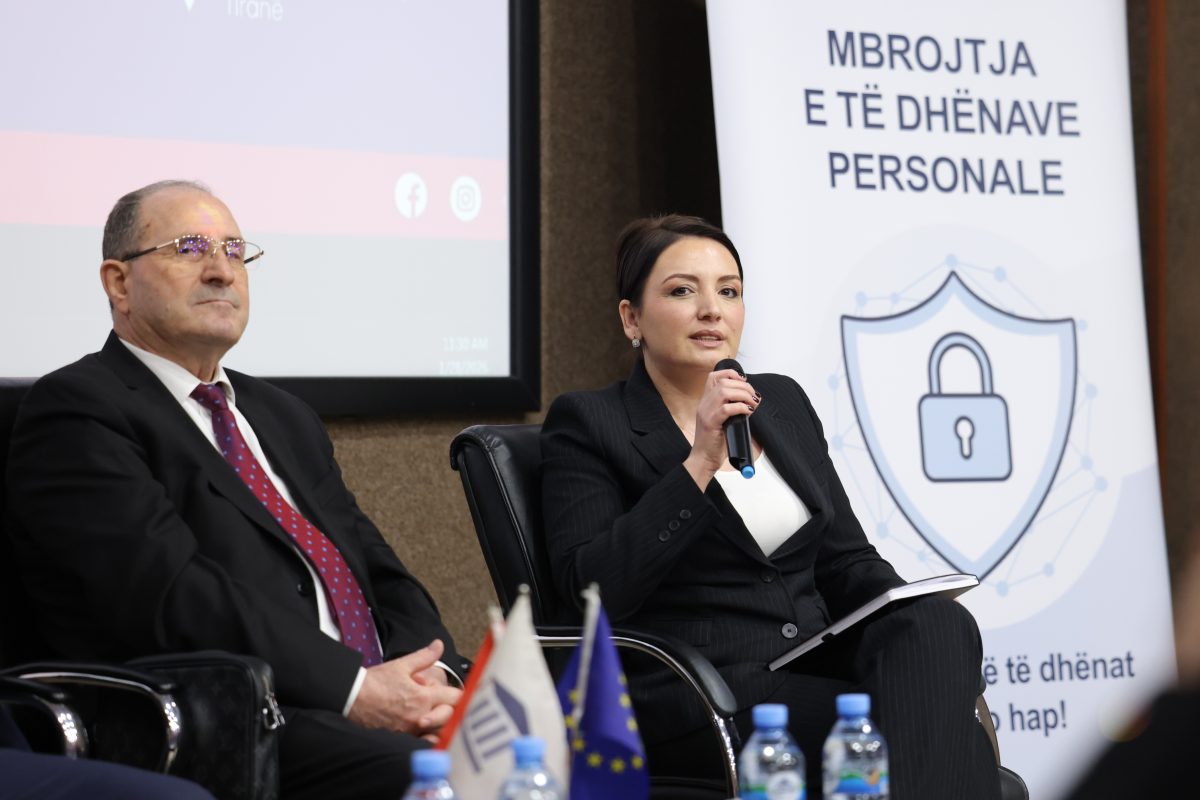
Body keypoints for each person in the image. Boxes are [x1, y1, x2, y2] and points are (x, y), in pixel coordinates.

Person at [4, 180, 464, 799]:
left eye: (234, 250)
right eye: (190, 248)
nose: (222, 270)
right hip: (236, 717)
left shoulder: (282, 414)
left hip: (360, 700)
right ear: (118, 283)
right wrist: (355, 689)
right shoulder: (79, 410)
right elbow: (175, 597)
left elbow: (375, 569)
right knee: (462, 777)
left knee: (544, 746)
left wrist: (429, 675)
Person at [540, 214, 1000, 799]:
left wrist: (901, 614)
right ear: (632, 318)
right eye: (682, 291)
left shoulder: (778, 401)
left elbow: (846, 561)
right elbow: (591, 591)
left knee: (938, 627)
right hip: (705, 690)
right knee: (936, 735)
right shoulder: (588, 422)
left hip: (812, 658)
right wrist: (699, 464)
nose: (712, 310)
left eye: (729, 291)